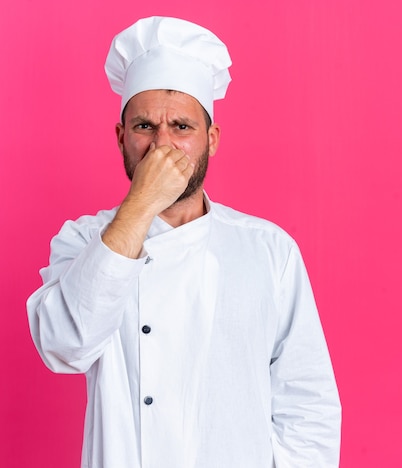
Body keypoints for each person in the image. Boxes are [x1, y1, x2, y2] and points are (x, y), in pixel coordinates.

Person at [26, 16, 341, 468]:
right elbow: (64, 347)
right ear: (120, 139)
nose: (162, 147)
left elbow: (307, 406)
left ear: (211, 140)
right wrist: (139, 206)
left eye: (181, 127)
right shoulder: (82, 241)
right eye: (143, 127)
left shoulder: (269, 251)